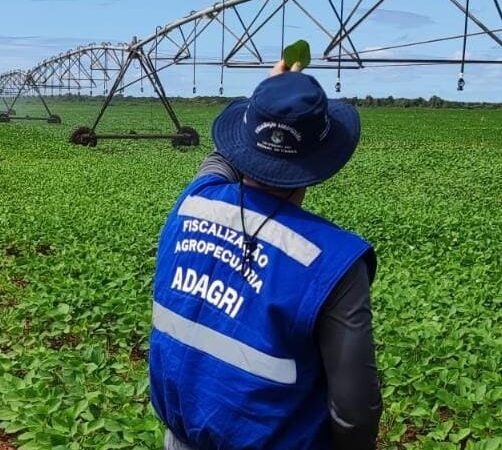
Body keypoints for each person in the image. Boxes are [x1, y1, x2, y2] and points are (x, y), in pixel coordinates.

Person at [149, 60, 382, 450]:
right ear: (322, 158)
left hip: (182, 438)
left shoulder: (193, 201)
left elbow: (218, 160)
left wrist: (268, 104)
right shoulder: (333, 262)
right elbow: (354, 411)